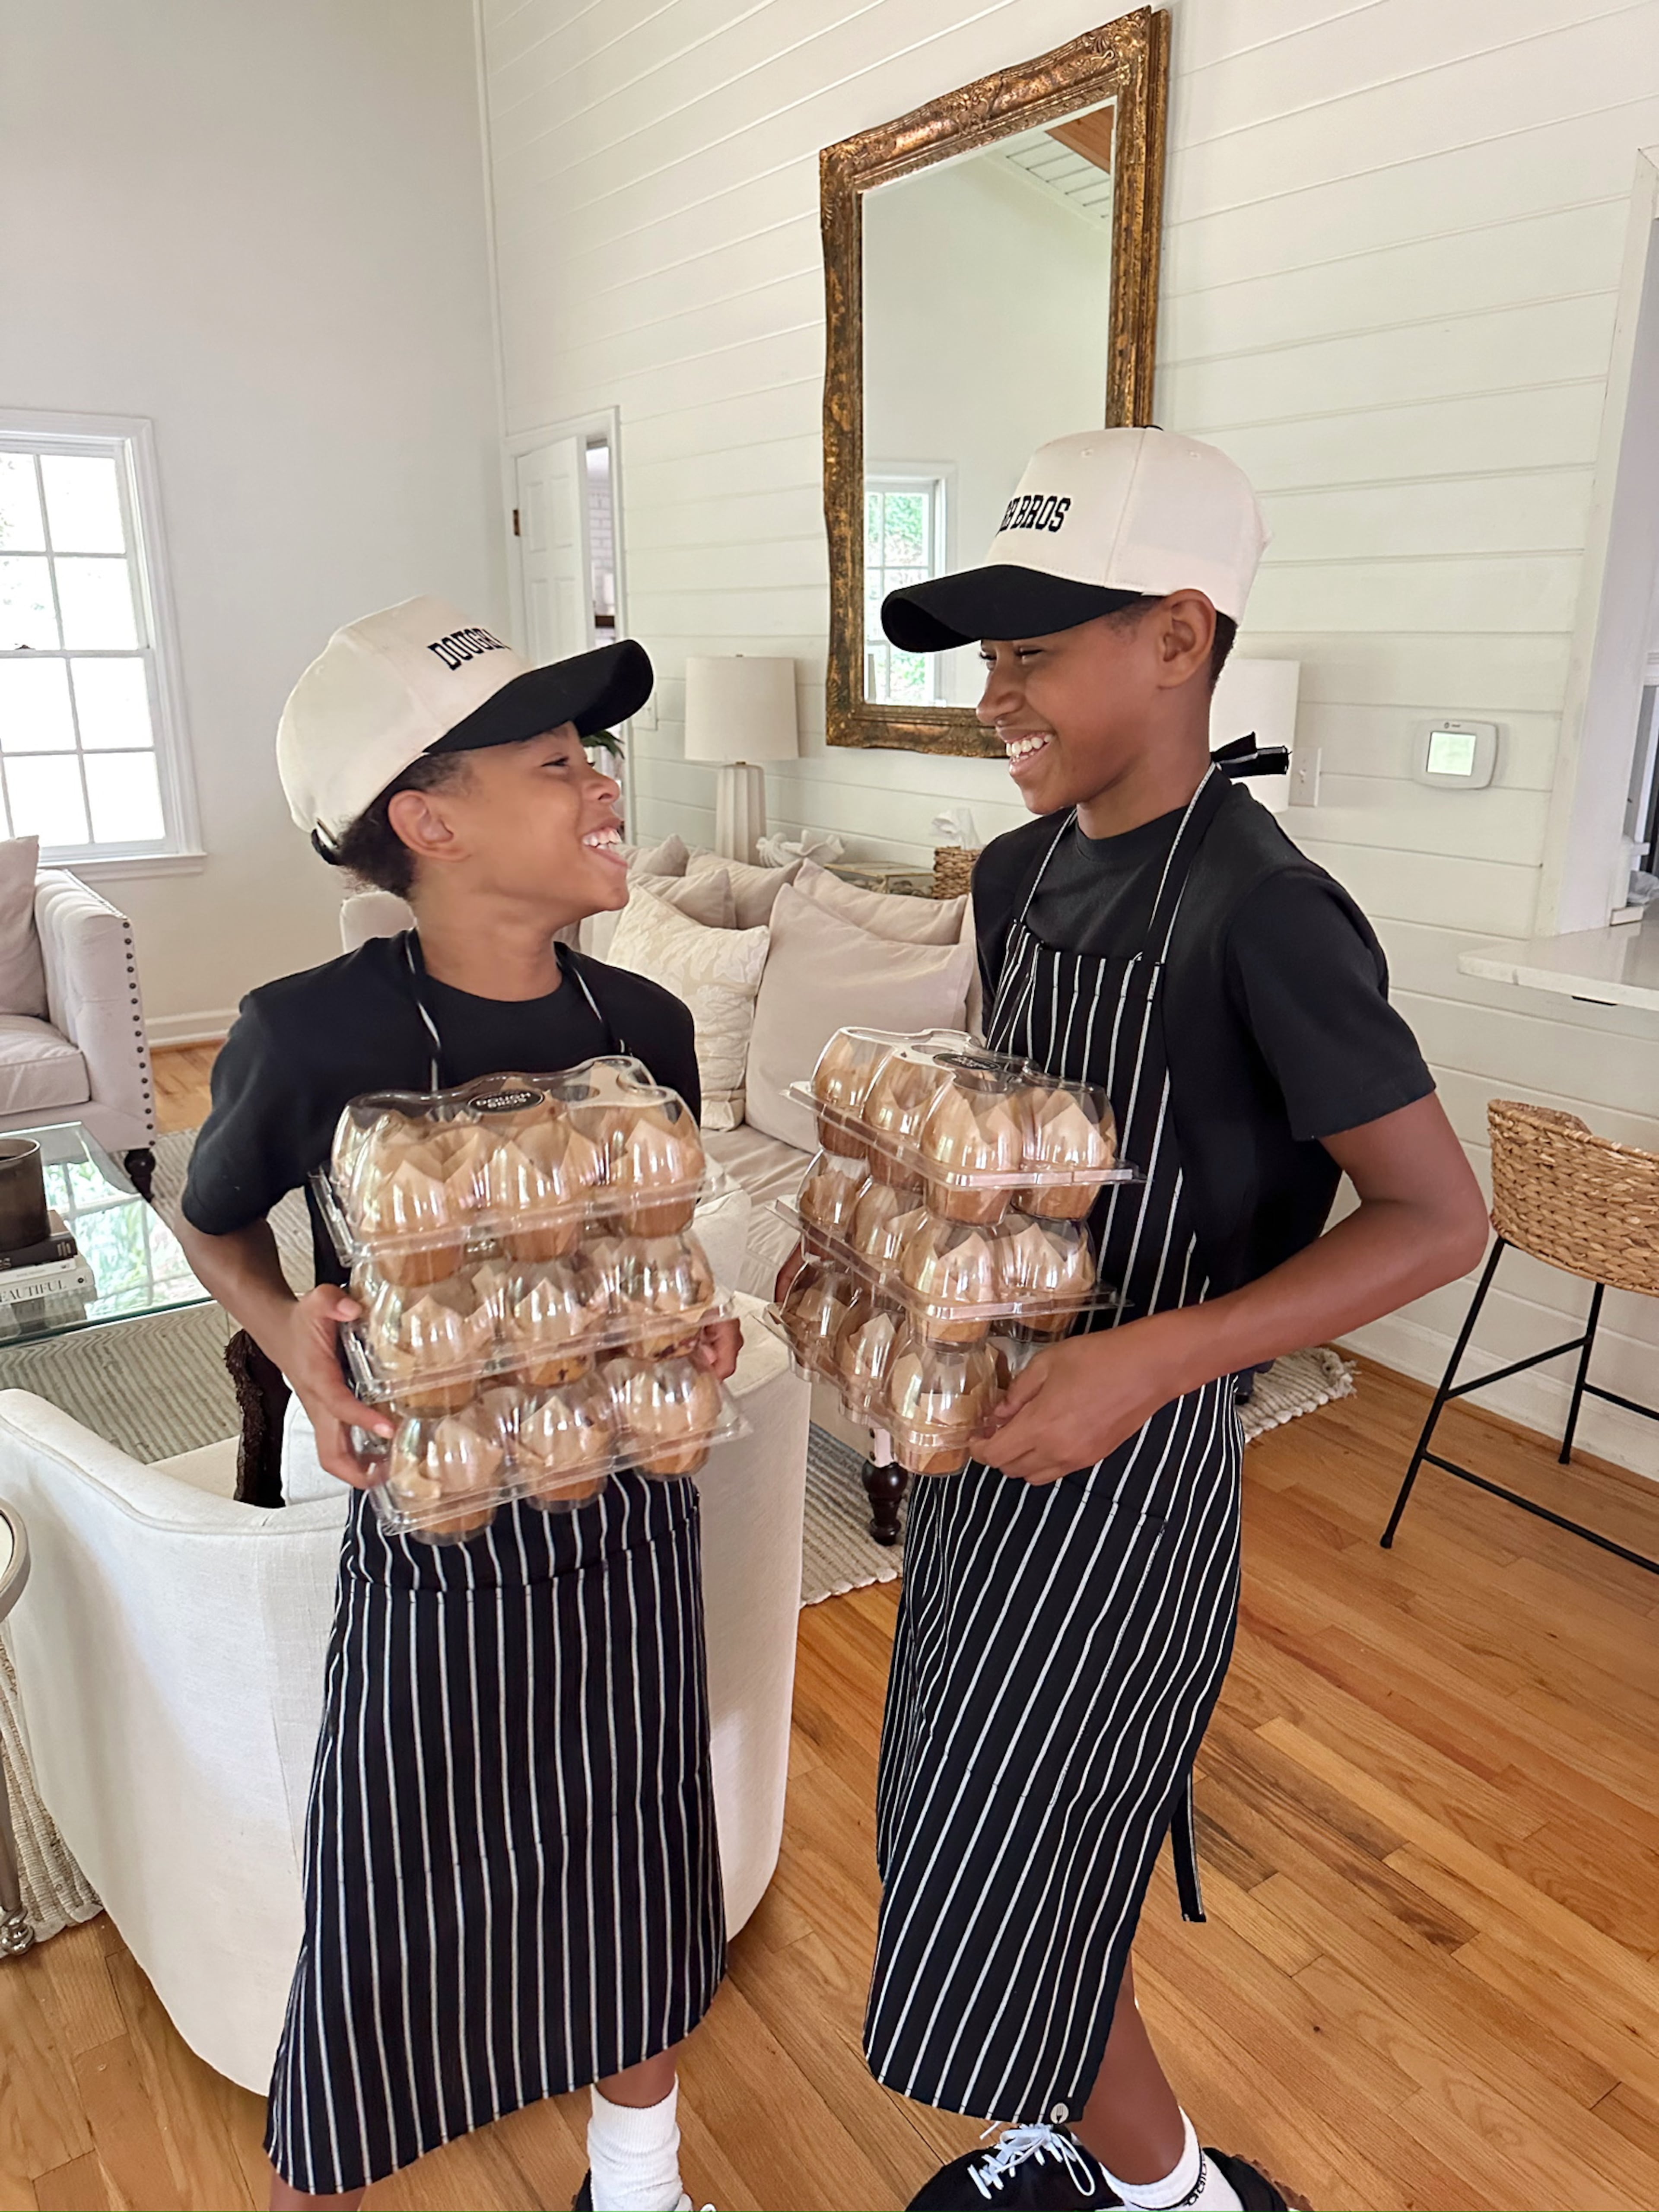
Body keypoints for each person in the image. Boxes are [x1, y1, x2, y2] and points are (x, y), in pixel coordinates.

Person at [860, 431, 1489, 2212]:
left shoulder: (1267, 907)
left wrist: (1149, 1356)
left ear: (1181, 637)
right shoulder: (1019, 870)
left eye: (1033, 653)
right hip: (996, 1412)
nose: (998, 696)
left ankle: (1181, 2198)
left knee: (1028, 1861)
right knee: (965, 1826)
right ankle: (1077, 2143)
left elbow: (1444, 1218)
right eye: (988, 657)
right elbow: (1021, 1145)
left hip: (1135, 1466)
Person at [178, 599, 737, 2212]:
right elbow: (215, 1221)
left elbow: (644, 1260)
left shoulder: (648, 1029)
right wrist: (293, 1334)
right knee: (396, 1891)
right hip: (440, 1554)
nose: (604, 784)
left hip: (633, 1525)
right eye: (558, 761)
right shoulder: (309, 1036)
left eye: (594, 754)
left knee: (638, 1855)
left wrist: (680, 1334)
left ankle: (640, 2181)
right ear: (427, 823)